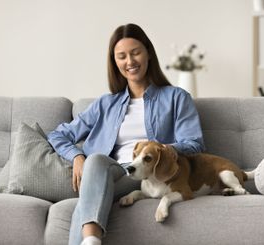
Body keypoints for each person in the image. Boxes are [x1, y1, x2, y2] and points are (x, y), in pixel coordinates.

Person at [47, 23, 205, 245]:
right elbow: (58, 135)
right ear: (115, 62)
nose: (129, 62)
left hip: (147, 175)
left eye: (135, 53)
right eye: (121, 56)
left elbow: (194, 143)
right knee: (95, 161)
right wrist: (77, 156)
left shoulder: (176, 98)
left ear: (148, 53)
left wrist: (165, 150)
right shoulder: (105, 104)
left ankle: (90, 240)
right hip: (109, 174)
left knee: (86, 199)